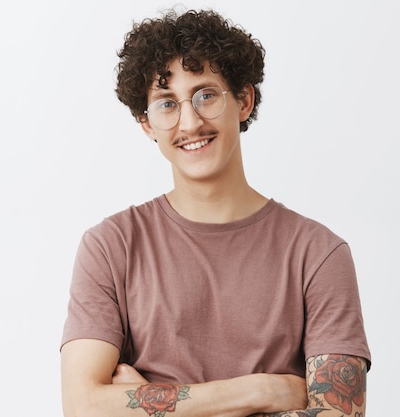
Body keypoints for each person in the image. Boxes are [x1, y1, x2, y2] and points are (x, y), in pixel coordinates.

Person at [59, 8, 371, 417]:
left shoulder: (319, 254)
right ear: (146, 125)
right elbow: (83, 406)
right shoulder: (111, 246)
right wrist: (259, 392)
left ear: (243, 100)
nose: (189, 122)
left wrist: (148, 403)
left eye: (206, 95)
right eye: (167, 103)